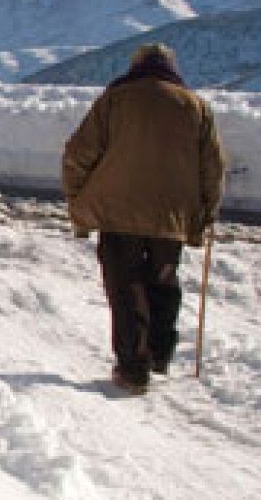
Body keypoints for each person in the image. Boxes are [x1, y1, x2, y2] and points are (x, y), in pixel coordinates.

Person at [61, 42, 226, 394]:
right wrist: (204, 215)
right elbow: (213, 168)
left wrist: (78, 199)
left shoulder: (116, 99)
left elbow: (78, 153)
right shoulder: (195, 106)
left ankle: (134, 368)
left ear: (136, 66)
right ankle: (159, 353)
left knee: (126, 286)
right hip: (172, 215)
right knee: (163, 280)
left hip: (118, 210)